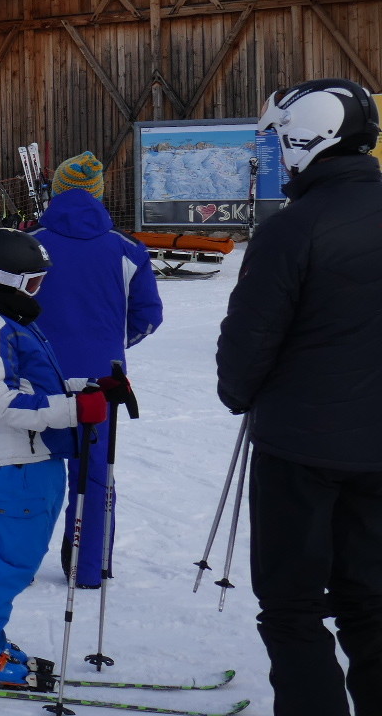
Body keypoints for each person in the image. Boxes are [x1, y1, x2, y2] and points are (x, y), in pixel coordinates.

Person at [218, 79, 382, 716]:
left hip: (300, 448)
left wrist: (239, 393)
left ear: (304, 141)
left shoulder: (295, 228)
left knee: (292, 606)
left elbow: (247, 344)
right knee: (371, 601)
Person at [0, 228, 119, 685]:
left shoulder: (13, 320)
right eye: (32, 281)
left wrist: (89, 390)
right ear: (3, 279)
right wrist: (76, 409)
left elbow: (36, 388)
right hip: (18, 461)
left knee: (19, 557)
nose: (39, 290)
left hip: (39, 457)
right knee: (5, 560)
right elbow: (1, 403)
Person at [29, 152, 162, 588]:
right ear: (99, 195)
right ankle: (88, 568)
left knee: (28, 468)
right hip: (101, 381)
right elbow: (146, 316)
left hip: (38, 376)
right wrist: (113, 346)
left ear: (56, 192)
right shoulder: (126, 249)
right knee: (95, 474)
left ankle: (15, 564)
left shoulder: (30, 243)